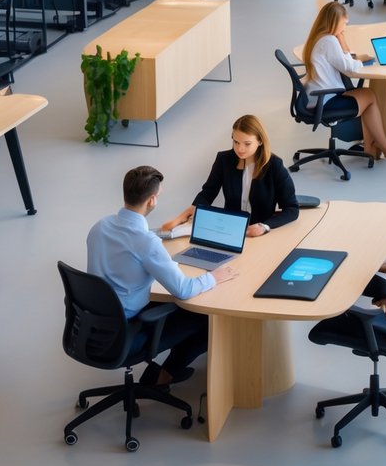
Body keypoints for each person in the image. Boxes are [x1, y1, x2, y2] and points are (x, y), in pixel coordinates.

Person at [87, 165, 238, 387]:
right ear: (152, 201)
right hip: (126, 331)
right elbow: (184, 290)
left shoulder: (100, 227)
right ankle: (164, 376)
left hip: (93, 324)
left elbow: (132, 245)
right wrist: (214, 277)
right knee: (206, 318)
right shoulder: (146, 243)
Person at [161, 115, 301, 237]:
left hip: (259, 233)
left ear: (260, 141)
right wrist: (182, 217)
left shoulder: (274, 165)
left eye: (247, 144)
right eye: (236, 142)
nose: (240, 149)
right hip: (229, 230)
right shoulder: (224, 160)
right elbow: (207, 194)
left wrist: (265, 226)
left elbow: (292, 209)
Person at [300, 1, 386, 160]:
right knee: (370, 96)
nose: (345, 28)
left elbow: (344, 60)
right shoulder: (329, 41)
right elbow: (349, 68)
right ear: (335, 22)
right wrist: (361, 62)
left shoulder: (317, 38)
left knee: (366, 95)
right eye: (344, 24)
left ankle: (372, 148)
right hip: (326, 100)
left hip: (314, 97)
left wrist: (341, 40)